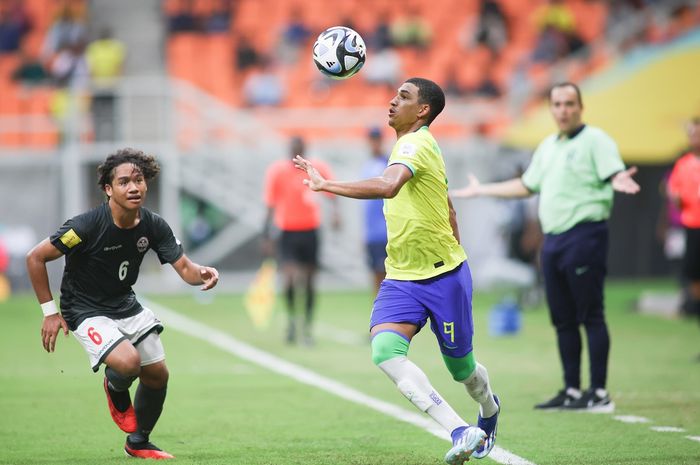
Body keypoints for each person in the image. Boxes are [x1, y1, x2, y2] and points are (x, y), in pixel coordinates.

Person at [293, 78, 499, 464]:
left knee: (463, 371)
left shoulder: (416, 144)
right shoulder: (408, 146)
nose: (392, 101)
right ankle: (459, 430)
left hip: (443, 276)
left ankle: (488, 410)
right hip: (402, 277)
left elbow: (388, 188)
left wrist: (326, 184)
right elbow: (448, 206)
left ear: (423, 110)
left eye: (403, 97)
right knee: (385, 351)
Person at [452, 82, 640, 411]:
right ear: (551, 108)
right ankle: (570, 390)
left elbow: (614, 172)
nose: (563, 110)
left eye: (569, 103)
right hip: (554, 241)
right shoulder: (549, 146)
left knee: (590, 315)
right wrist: (483, 190)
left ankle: (598, 393)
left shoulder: (596, 141)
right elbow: (526, 185)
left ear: (580, 107)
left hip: (585, 235)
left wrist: (617, 178)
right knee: (562, 318)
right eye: (557, 104)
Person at [25, 148, 219, 459]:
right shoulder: (85, 226)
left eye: (139, 180)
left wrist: (203, 273)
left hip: (125, 304)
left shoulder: (154, 225)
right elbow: (36, 257)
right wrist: (50, 313)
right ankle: (115, 388)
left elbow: (185, 269)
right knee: (128, 363)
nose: (133, 187)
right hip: (84, 309)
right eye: (124, 181)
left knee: (158, 374)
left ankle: (138, 442)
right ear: (108, 189)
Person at [262, 136, 340, 346]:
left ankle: (306, 327)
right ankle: (291, 322)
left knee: (309, 282)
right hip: (287, 231)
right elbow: (270, 204)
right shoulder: (277, 171)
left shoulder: (315, 167)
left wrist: (335, 213)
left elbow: (332, 189)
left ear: (304, 150)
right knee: (288, 280)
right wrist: (266, 234)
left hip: (310, 230)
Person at [667, 117, 700, 358]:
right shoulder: (683, 165)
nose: (694, 138)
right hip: (693, 228)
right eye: (692, 134)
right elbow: (675, 196)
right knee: (694, 278)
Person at [361, 127, 389, 295]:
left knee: (387, 275)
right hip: (372, 233)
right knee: (375, 273)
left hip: (386, 231)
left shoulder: (388, 164)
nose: (374, 144)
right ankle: (378, 311)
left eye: (376, 140)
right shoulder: (367, 165)